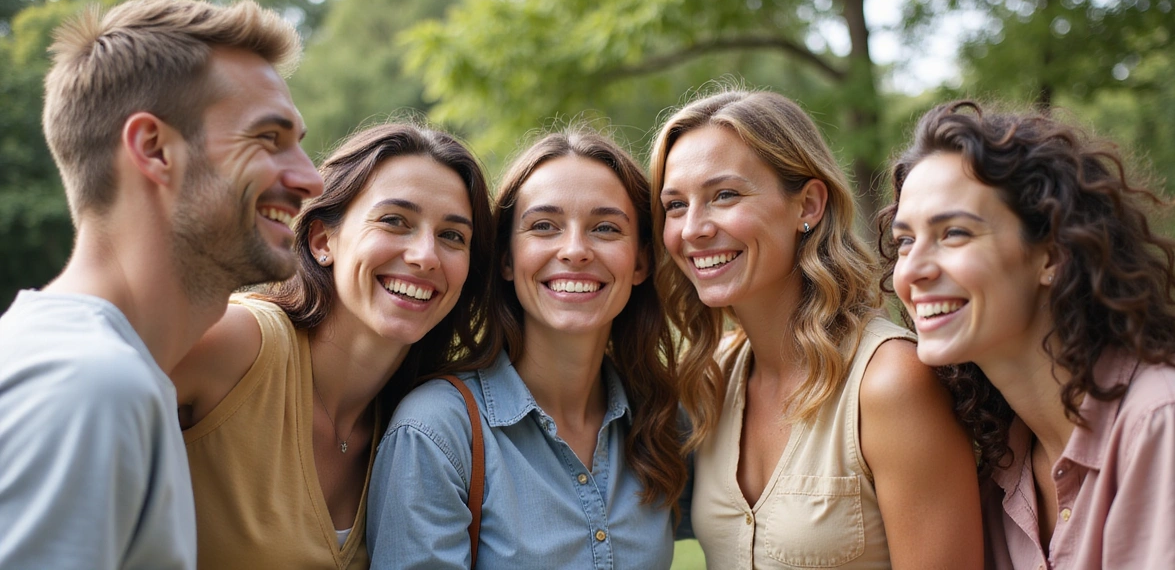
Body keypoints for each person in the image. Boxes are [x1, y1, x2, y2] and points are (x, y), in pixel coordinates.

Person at [0, 0, 321, 568]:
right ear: (153, 149)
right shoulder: (91, 388)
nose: (310, 178)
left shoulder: (110, 374)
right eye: (268, 139)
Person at [651, 89, 983, 569]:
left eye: (724, 195)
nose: (692, 229)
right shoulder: (712, 378)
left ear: (807, 204)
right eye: (676, 205)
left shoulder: (890, 382)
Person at [883, 100, 1175, 570]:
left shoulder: (1166, 422)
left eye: (954, 233)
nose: (912, 270)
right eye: (905, 241)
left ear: (1053, 254)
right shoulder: (1002, 464)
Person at [170, 122, 496, 569]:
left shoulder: (419, 425)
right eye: (395, 221)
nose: (425, 255)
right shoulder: (239, 341)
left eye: (452, 236)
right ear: (324, 241)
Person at [367, 128, 686, 569]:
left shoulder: (663, 420)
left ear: (641, 262)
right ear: (506, 260)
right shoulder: (436, 432)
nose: (575, 250)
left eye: (606, 228)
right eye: (543, 226)